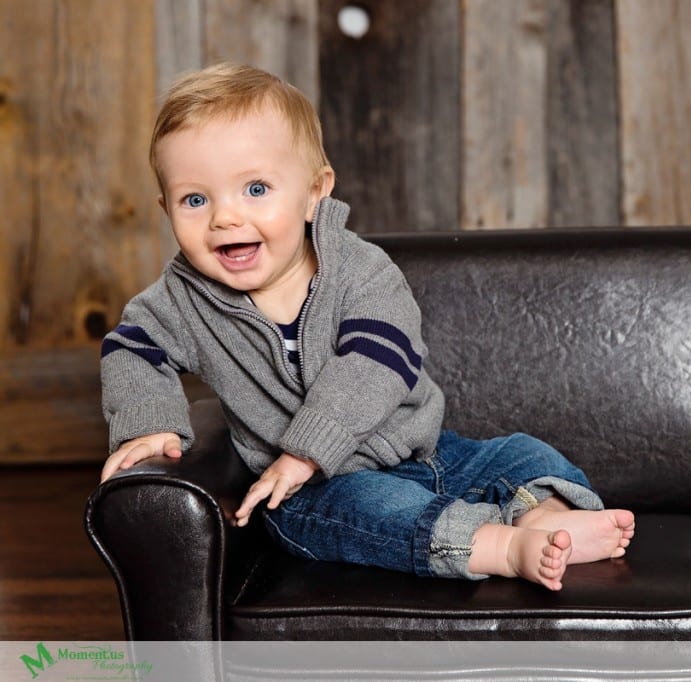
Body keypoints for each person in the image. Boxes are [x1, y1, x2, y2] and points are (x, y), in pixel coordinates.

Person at [99, 63, 634, 590]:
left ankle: (542, 515)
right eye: (196, 199)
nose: (225, 217)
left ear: (314, 192)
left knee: (522, 453)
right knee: (369, 514)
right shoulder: (182, 299)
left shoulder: (361, 270)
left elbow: (377, 361)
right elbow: (132, 348)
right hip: (313, 489)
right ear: (166, 208)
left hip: (423, 453)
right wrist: (152, 421)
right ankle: (499, 546)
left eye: (256, 189)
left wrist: (306, 446)